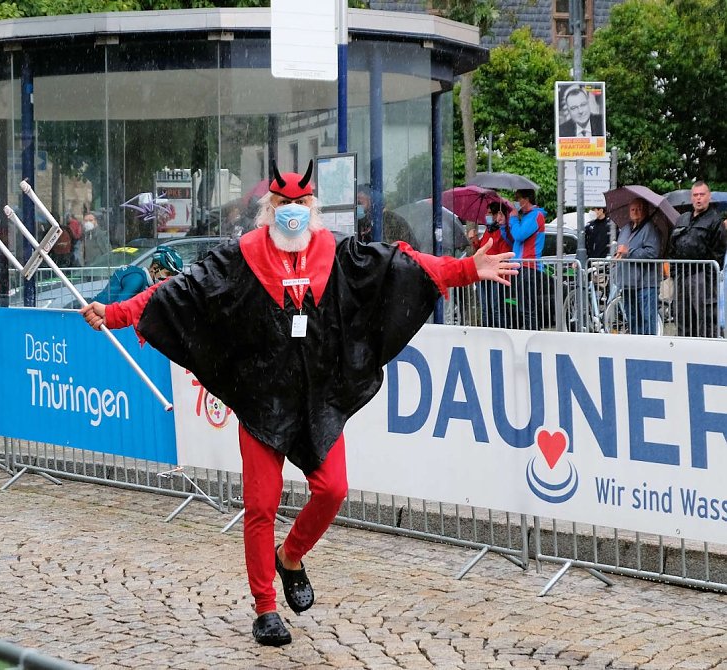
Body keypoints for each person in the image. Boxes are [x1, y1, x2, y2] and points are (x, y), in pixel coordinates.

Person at [79, 161, 517, 647]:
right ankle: (265, 608)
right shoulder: (242, 256)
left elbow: (401, 264)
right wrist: (115, 313)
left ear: (313, 207)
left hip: (317, 398)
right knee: (260, 505)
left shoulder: (339, 252)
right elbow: (182, 289)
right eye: (284, 204)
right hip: (262, 398)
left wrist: (467, 269)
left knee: (333, 489)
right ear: (270, 208)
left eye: (300, 204)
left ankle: (290, 557)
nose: (292, 211)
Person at [668, 180, 727, 338]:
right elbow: (672, 246)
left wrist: (706, 277)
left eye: (702, 194)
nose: (698, 198)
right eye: (695, 195)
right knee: (682, 317)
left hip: (702, 277)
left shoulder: (715, 220)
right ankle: (685, 350)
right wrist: (674, 273)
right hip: (681, 276)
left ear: (709, 197)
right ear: (691, 198)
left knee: (706, 320)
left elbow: (719, 252)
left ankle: (709, 350)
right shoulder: (682, 219)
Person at [614, 198, 662, 335]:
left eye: (639, 209)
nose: (635, 212)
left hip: (645, 284)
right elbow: (621, 249)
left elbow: (653, 252)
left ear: (645, 211)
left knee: (647, 319)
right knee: (633, 319)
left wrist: (629, 252)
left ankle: (649, 345)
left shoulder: (650, 228)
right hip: (628, 283)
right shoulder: (625, 229)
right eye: (633, 209)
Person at [468, 201, 514, 327]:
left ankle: (501, 331)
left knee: (496, 308)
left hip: (496, 274)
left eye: (489, 213)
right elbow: (481, 248)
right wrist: (474, 239)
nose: (486, 216)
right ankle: (487, 331)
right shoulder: (488, 230)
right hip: (483, 273)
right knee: (485, 308)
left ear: (495, 215)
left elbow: (505, 251)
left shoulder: (504, 231)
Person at [507, 189, 546, 330]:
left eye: (518, 198)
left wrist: (513, 218)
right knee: (524, 306)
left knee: (528, 307)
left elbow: (519, 235)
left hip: (529, 266)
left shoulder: (536, 215)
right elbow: (515, 239)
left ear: (527, 199)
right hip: (522, 266)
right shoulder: (527, 216)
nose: (516, 202)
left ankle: (532, 334)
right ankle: (529, 332)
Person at [91, 245, 183, 304]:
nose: (169, 278)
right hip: (96, 319)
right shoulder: (137, 278)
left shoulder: (145, 280)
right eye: (168, 273)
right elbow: (118, 307)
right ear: (155, 268)